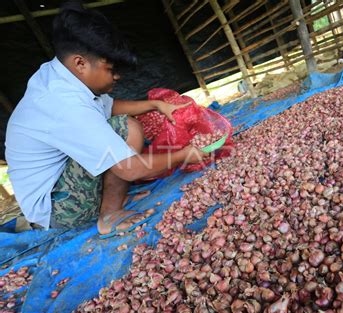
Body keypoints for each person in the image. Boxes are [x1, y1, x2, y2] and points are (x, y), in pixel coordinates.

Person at [5, 2, 207, 237]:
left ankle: (107, 201)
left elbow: (109, 107)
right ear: (80, 63)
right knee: (127, 127)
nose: (117, 76)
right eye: (111, 69)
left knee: (122, 125)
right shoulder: (64, 105)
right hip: (57, 209)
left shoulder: (59, 74)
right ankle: (109, 215)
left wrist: (156, 105)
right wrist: (185, 155)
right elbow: (131, 170)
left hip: (58, 182)